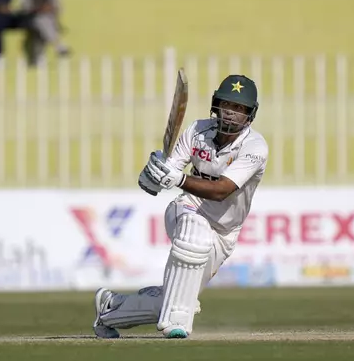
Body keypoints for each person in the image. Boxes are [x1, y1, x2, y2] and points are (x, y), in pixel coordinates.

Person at [92, 75, 268, 339]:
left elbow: (222, 190)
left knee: (179, 296)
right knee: (194, 235)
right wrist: (155, 174)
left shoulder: (255, 147)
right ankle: (176, 323)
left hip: (225, 232)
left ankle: (111, 309)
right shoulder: (197, 131)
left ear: (249, 115)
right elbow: (170, 171)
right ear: (216, 105)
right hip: (189, 209)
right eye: (227, 105)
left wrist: (180, 179)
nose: (231, 114)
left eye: (240, 109)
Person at [19, 0, 70, 64]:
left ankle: (39, 57)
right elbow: (25, 5)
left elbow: (56, 2)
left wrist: (50, 8)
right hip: (31, 16)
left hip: (49, 17)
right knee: (40, 20)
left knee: (42, 23)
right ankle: (58, 45)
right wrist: (38, 8)